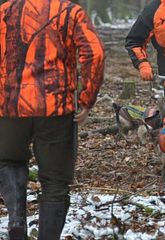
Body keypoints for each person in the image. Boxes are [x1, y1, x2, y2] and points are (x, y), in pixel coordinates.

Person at [0, 0, 105, 239]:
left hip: (10, 106)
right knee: (55, 183)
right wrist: (87, 98)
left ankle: (16, 217)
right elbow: (95, 53)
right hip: (55, 108)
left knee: (8, 161)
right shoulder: (70, 11)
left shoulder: (5, 11)